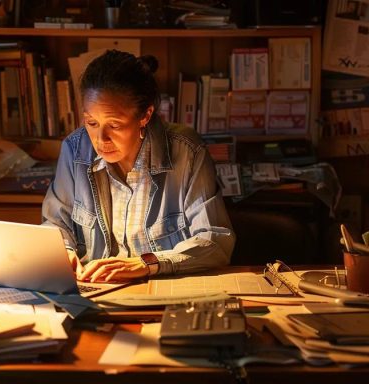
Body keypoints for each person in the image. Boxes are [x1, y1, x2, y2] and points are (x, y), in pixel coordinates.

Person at [42, 50, 235, 283]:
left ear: (145, 115)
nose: (100, 139)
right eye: (91, 122)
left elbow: (214, 241)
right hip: (97, 291)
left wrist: (147, 264)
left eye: (114, 124)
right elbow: (55, 223)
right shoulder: (75, 149)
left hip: (166, 292)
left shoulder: (187, 152)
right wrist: (64, 252)